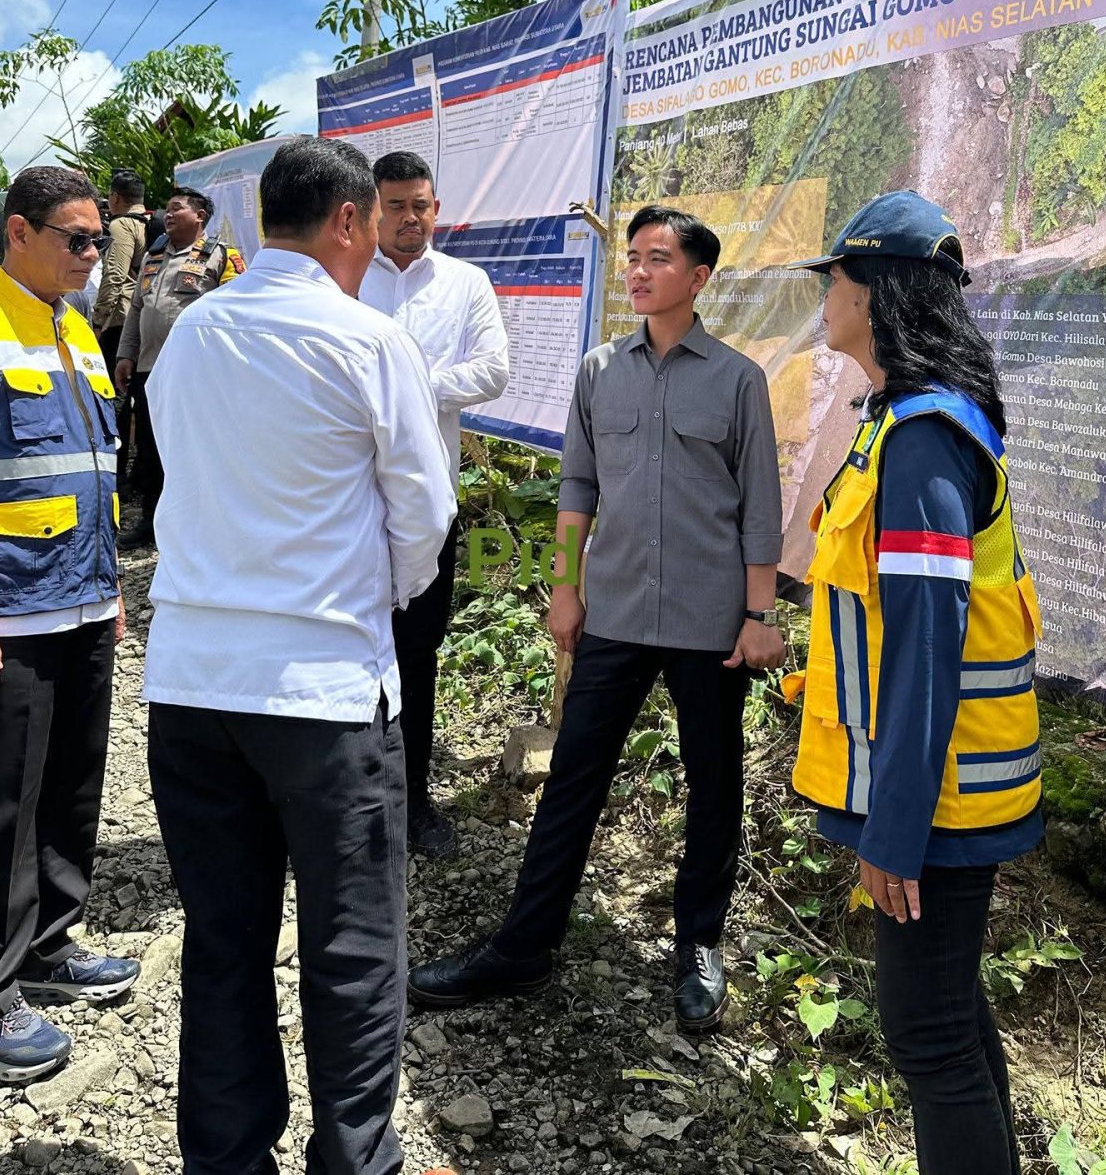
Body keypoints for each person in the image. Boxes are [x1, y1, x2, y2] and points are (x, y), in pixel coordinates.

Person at [144, 136, 455, 1175]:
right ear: (348, 223)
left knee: (223, 939)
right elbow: (424, 511)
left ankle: (227, 1159)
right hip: (322, 691)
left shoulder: (191, 334)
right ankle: (355, 1157)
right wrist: (379, 597)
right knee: (353, 945)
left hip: (192, 683)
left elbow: (181, 470)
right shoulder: (367, 341)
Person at [410, 205, 784, 1033]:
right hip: (611, 608)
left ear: (698, 277)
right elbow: (577, 488)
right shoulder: (598, 369)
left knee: (713, 788)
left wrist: (758, 612)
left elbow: (762, 510)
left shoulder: (736, 380)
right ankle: (523, 944)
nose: (640, 272)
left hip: (709, 622)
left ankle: (699, 946)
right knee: (573, 780)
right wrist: (564, 587)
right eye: (634, 258)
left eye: (659, 258)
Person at [785, 191, 1043, 1175]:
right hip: (935, 789)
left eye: (836, 278)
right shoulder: (897, 423)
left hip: (939, 803)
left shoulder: (927, 438)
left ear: (877, 293)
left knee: (926, 1034)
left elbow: (926, 652)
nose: (826, 296)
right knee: (948, 1016)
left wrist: (892, 832)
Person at [0, 166, 139, 1085]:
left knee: (69, 791)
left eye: (98, 241)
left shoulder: (76, 326)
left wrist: (112, 583)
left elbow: (93, 464)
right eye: (78, 239)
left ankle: (46, 946)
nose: (94, 255)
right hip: (1, 614)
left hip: (79, 601)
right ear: (18, 232)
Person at [360, 150, 509, 859]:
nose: (410, 218)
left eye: (421, 204)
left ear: (435, 209)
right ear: (369, 207)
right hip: (348, 505)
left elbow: (494, 368)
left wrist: (409, 384)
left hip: (426, 508)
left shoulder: (465, 283)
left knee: (418, 656)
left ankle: (414, 802)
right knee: (347, 647)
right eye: (396, 205)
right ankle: (345, 800)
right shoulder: (347, 278)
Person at [114, 187, 244, 548]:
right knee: (152, 451)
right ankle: (153, 523)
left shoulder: (221, 255)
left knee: (196, 446)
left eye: (176, 209)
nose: (167, 215)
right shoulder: (153, 257)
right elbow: (137, 309)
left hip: (196, 370)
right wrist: (126, 354)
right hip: (149, 369)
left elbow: (233, 310)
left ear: (199, 215)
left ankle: (204, 524)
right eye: (166, 210)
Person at [92, 170, 153, 489]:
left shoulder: (119, 225)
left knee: (113, 399)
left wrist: (99, 322)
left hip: (119, 321)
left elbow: (114, 276)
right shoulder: (151, 224)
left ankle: (116, 476)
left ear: (115, 198)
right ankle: (142, 475)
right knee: (139, 402)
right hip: (143, 320)